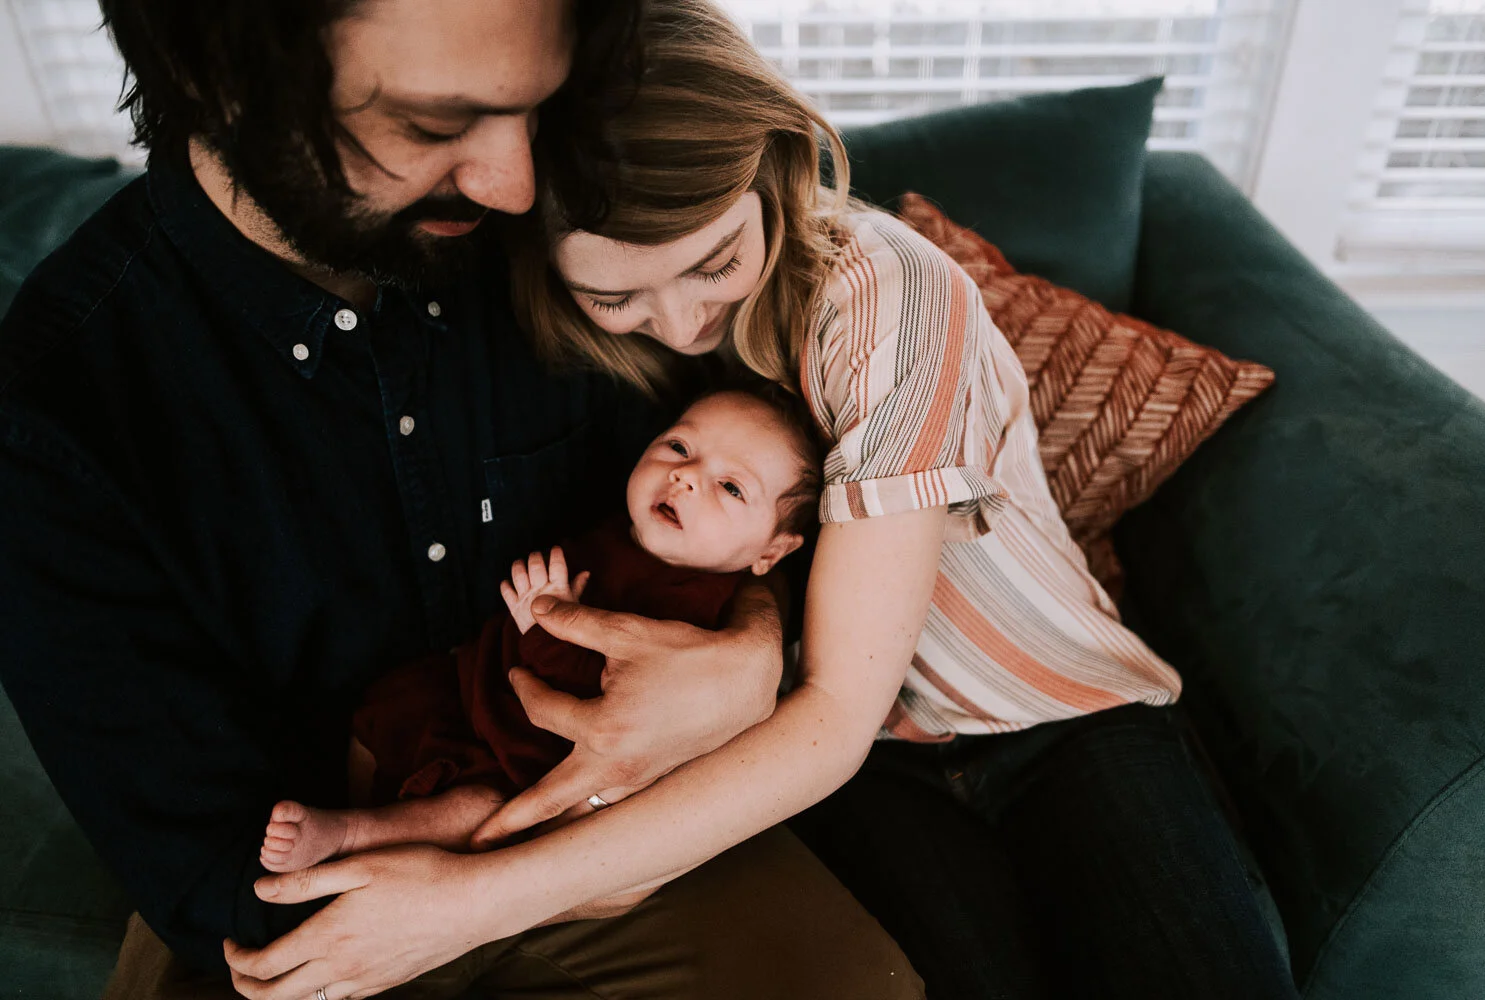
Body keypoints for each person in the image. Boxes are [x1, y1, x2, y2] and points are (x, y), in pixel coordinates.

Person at [354, 1, 1296, 998]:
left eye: (713, 261)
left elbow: (837, 710)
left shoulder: (885, 298)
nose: (678, 324)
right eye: (617, 296)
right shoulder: (587, 347)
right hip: (857, 760)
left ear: (779, 166)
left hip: (1057, 718)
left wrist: (462, 905)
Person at [0, 0, 923, 998]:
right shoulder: (54, 420)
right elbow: (217, 883)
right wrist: (520, 876)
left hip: (614, 816)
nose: (515, 182)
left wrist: (749, 647)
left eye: (533, 107)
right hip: (327, 887)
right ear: (222, 85)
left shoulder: (563, 240)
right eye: (436, 125)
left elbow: (741, 501)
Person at [260, 388, 818, 886]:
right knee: (384, 709)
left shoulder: (695, 611)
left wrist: (541, 624)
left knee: (479, 813)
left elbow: (611, 697)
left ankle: (349, 835)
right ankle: (347, 804)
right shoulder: (624, 533)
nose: (686, 475)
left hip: (526, 758)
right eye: (678, 447)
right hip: (473, 690)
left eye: (730, 487)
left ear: (770, 552)